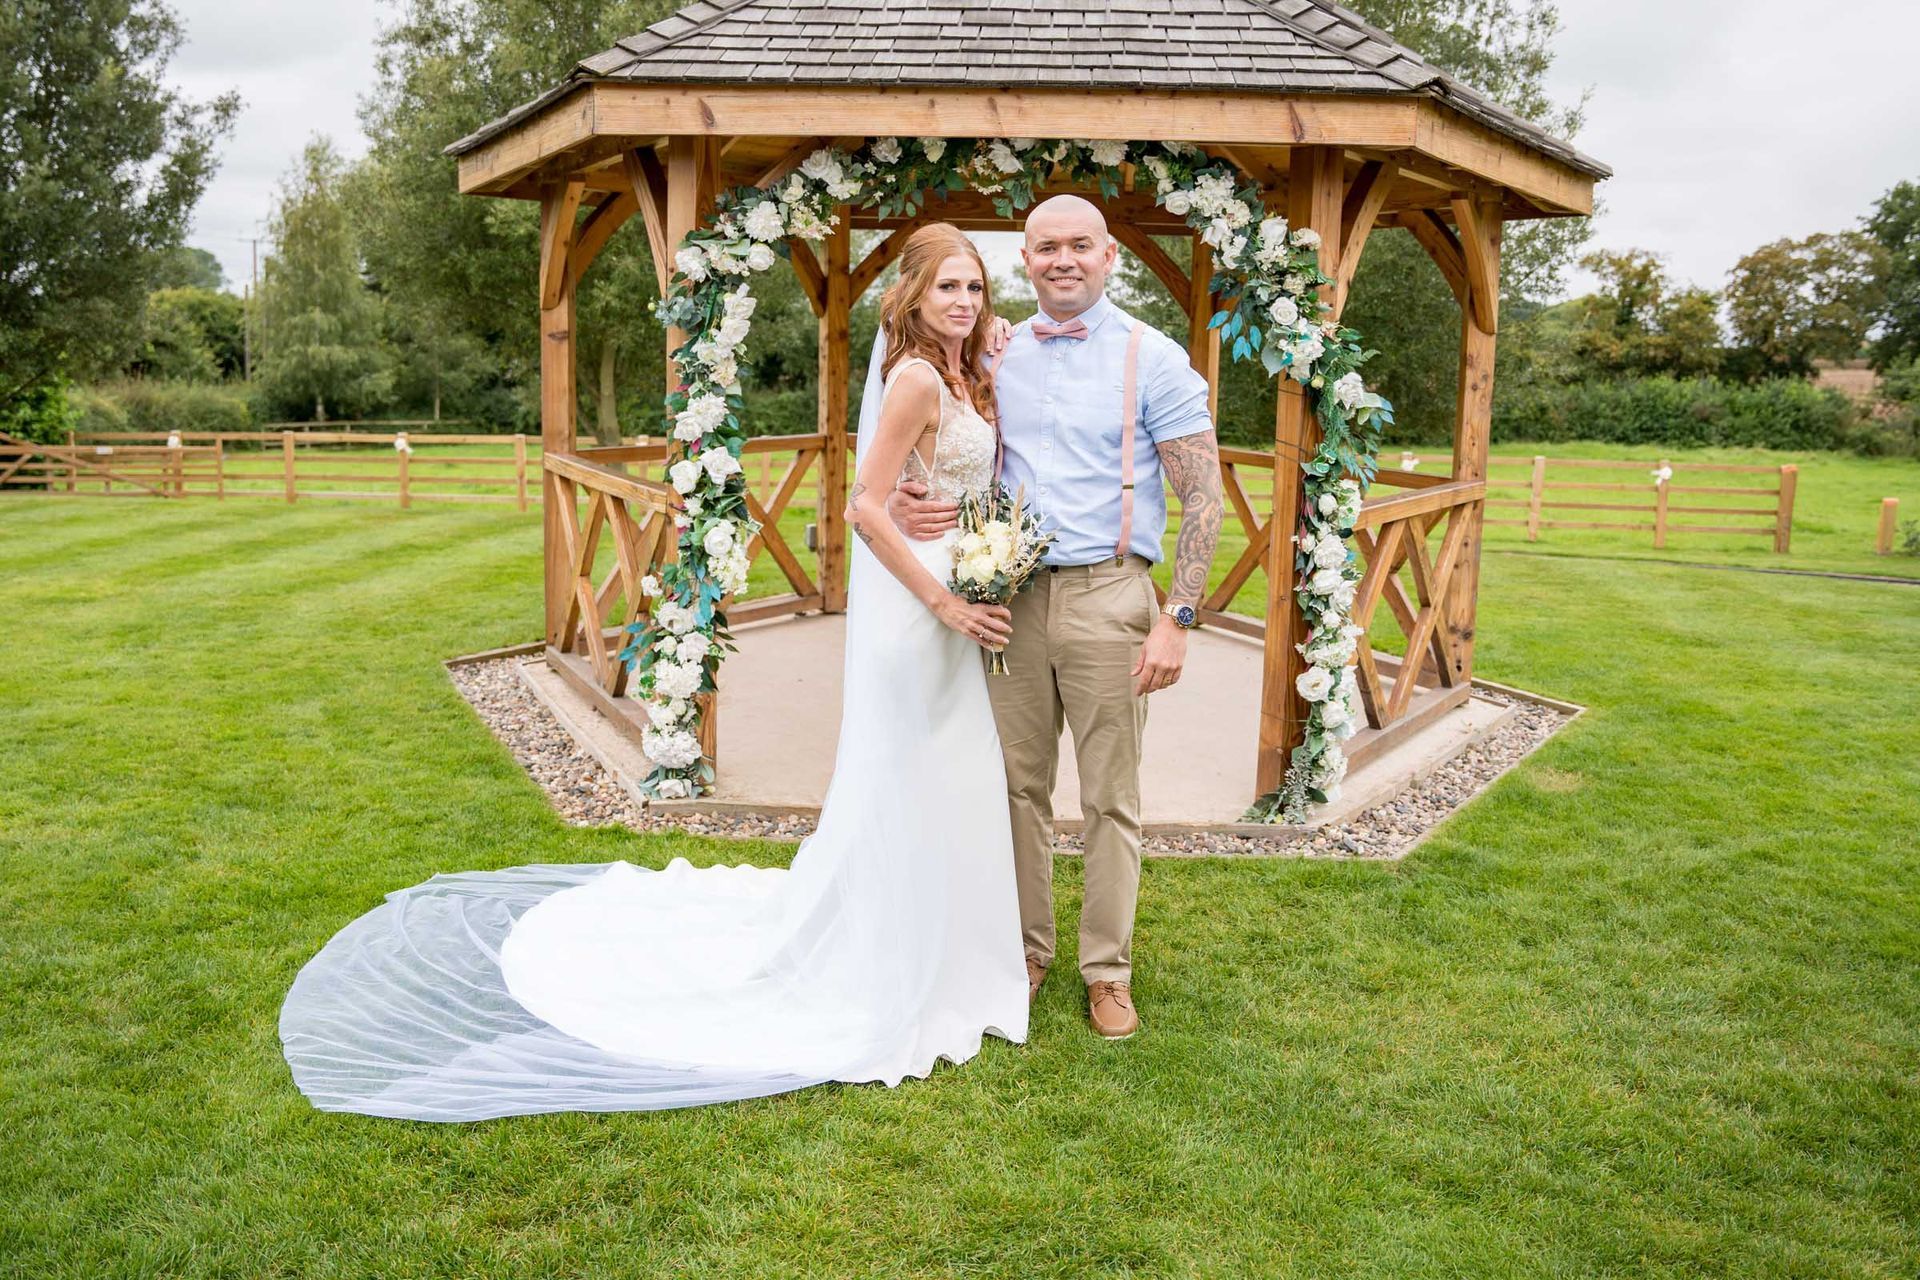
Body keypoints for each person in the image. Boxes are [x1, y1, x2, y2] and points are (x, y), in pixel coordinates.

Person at [277, 223, 1028, 1120]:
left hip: (954, 588)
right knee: (913, 777)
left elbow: (959, 462)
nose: (965, 303)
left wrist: (989, 360)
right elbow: (866, 506)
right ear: (909, 298)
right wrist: (943, 601)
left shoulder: (962, 369)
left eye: (976, 289)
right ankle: (898, 962)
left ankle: (947, 949)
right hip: (922, 609)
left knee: (953, 776)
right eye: (948, 288)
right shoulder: (911, 377)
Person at [890, 195, 1225, 1040]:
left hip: (1112, 595)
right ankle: (1026, 955)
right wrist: (906, 489)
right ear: (1027, 261)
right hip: (1008, 599)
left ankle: (1107, 972)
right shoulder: (996, 354)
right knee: (1016, 789)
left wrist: (1176, 615)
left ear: (1111, 256)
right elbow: (945, 441)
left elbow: (1204, 494)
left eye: (1080, 245)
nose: (1062, 259)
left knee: (1112, 797)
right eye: (1045, 248)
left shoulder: (1153, 358)